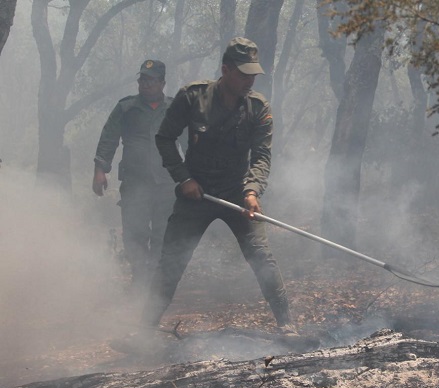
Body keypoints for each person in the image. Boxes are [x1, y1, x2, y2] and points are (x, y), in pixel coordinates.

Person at [143, 37, 292, 334]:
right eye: (243, 74)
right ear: (225, 70)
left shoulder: (258, 108)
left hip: (238, 193)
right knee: (171, 260)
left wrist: (252, 191)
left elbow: (261, 155)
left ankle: (287, 324)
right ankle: (143, 329)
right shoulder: (192, 97)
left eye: (253, 74)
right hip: (196, 193)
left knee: (261, 256)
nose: (250, 80)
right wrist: (183, 178)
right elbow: (165, 138)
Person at [93, 59, 176, 291]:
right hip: (134, 184)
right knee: (135, 234)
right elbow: (108, 138)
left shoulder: (174, 109)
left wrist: (193, 175)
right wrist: (100, 169)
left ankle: (157, 285)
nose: (145, 84)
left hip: (166, 185)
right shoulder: (126, 108)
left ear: (162, 83)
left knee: (163, 235)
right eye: (142, 79)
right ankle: (140, 279)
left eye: (151, 80)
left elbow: (189, 142)